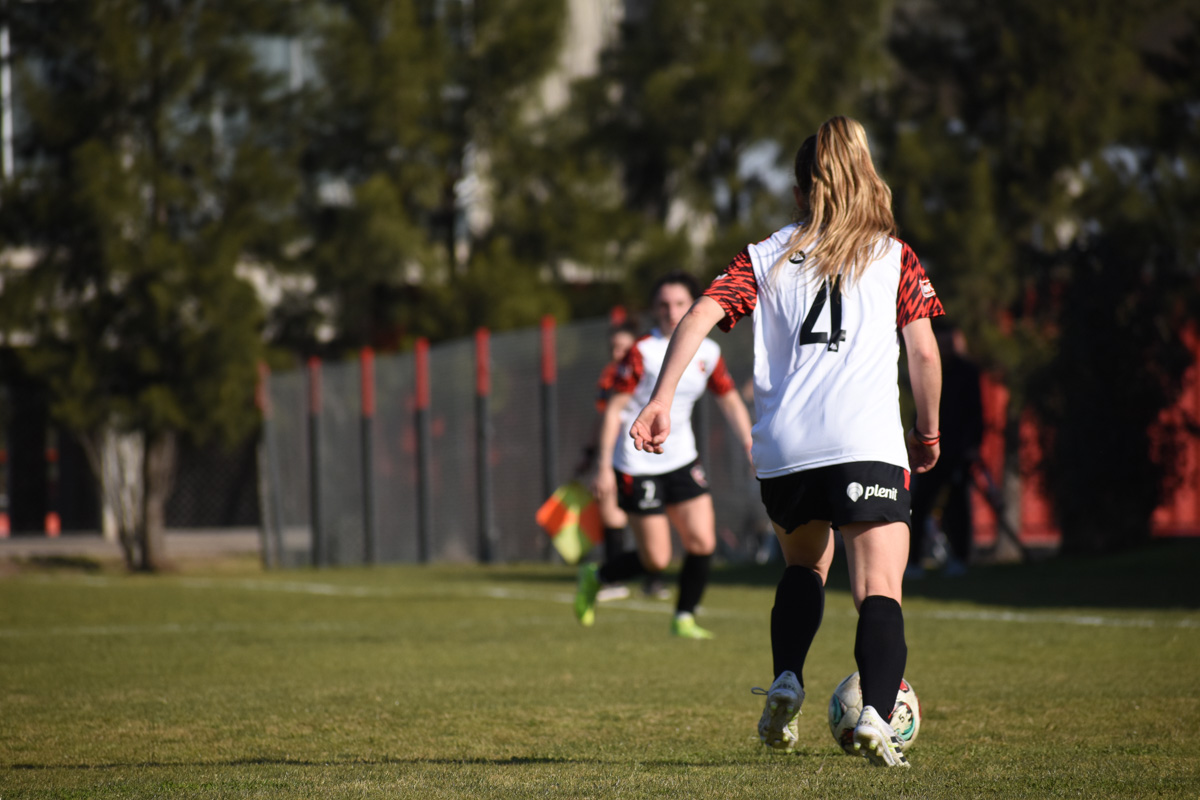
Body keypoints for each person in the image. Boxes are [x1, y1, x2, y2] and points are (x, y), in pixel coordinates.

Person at [628, 116, 944, 767]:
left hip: (786, 453)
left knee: (804, 567)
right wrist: (928, 430)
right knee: (878, 589)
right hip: (865, 444)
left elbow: (699, 315)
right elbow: (924, 356)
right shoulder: (892, 256)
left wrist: (659, 399)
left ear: (800, 193)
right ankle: (877, 721)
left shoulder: (766, 255)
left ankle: (786, 680)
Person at [574, 271, 754, 639]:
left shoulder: (709, 351)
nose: (671, 311)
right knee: (656, 559)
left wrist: (752, 445)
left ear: (694, 305)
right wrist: (603, 466)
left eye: (679, 304)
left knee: (702, 541)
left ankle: (684, 616)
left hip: (682, 460)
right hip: (638, 462)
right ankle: (598, 575)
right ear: (654, 310)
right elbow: (614, 411)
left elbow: (730, 400)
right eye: (663, 305)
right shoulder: (643, 352)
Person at [580, 318, 664, 601]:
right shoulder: (610, 375)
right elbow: (604, 416)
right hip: (618, 456)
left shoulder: (650, 367)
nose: (617, 353)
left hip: (647, 454)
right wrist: (592, 455)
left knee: (651, 519)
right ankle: (613, 581)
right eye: (613, 348)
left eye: (622, 347)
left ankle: (654, 579)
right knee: (612, 516)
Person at [907, 321, 983, 578]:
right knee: (920, 505)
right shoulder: (931, 370)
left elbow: (976, 414)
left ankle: (960, 558)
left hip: (957, 451)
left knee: (958, 507)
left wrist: (972, 446)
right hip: (930, 449)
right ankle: (914, 560)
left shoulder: (967, 372)